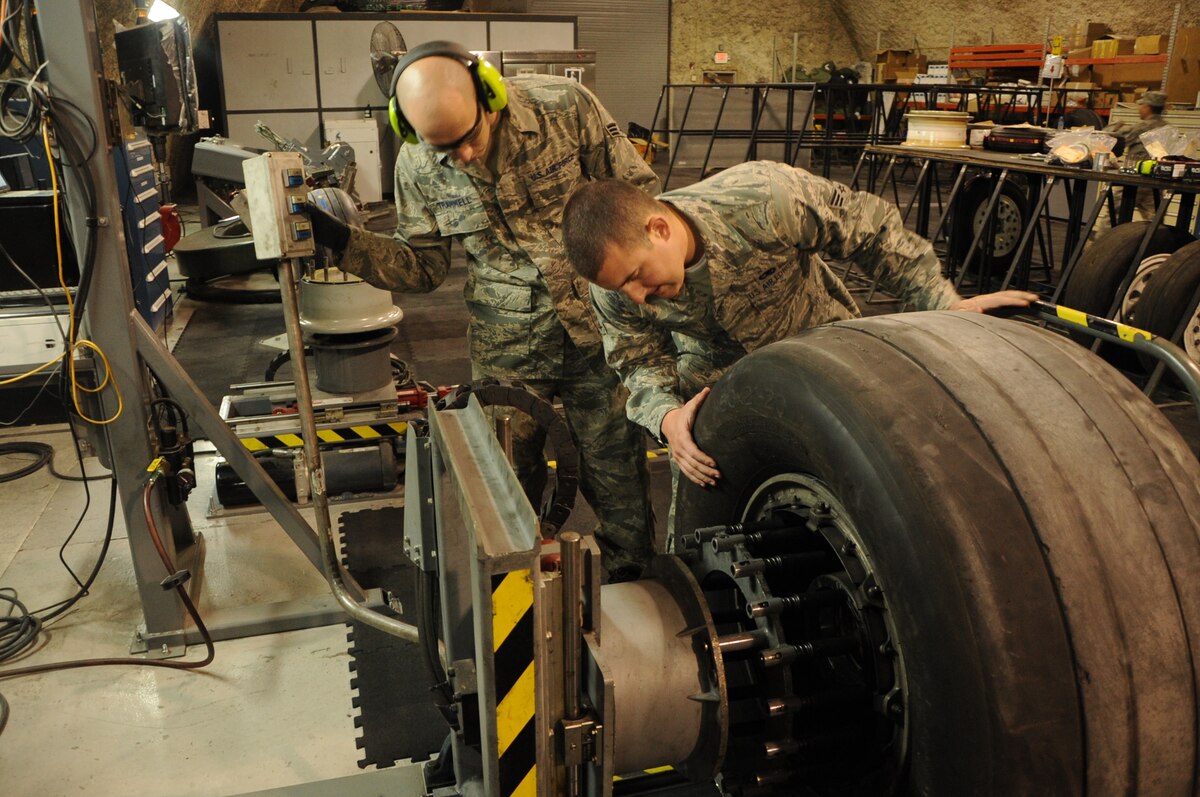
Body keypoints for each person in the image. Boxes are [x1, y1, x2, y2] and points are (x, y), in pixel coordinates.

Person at [305, 42, 659, 581]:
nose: (465, 156)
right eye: (446, 149)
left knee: (618, 474)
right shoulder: (416, 165)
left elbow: (638, 195)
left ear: (489, 95)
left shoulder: (565, 108)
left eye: (470, 137)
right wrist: (344, 243)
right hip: (507, 346)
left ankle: (636, 585)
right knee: (504, 483)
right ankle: (515, 596)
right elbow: (422, 267)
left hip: (600, 328)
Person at [561, 161, 1037, 488]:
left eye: (637, 276)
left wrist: (945, 305)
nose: (636, 296)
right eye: (622, 287)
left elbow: (872, 233)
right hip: (718, 383)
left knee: (881, 481)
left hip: (823, 350)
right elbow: (637, 360)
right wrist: (668, 419)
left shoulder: (765, 199)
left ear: (659, 229)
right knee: (704, 510)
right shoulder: (613, 286)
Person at [1095, 90, 1169, 231]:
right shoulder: (1166, 127)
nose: (1139, 109)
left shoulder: (1143, 127)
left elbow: (1109, 139)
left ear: (1147, 107)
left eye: (1141, 106)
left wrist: (1115, 127)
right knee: (1156, 222)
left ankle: (1101, 244)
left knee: (1113, 217)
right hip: (1155, 181)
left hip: (1134, 179)